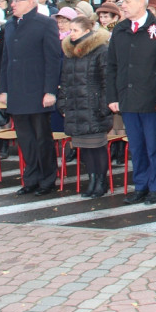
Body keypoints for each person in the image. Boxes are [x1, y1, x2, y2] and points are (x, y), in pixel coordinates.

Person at [106, 0, 156, 205]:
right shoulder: (120, 29)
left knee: (153, 146)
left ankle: (155, 187)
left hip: (150, 99)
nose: (122, 6)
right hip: (127, 98)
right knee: (136, 146)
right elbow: (112, 66)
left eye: (126, 2)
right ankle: (141, 186)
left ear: (141, 2)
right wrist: (113, 97)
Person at [0, 0, 62, 196]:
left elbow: (53, 60)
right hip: (17, 92)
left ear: (32, 3)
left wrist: (50, 91)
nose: (13, 4)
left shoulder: (45, 24)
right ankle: (31, 178)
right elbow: (6, 60)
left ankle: (47, 179)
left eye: (18, 0)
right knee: (25, 139)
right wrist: (4, 89)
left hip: (37, 91)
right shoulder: (10, 25)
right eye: (13, 0)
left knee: (42, 139)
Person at [58, 15, 112, 199]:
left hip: (94, 106)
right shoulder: (70, 52)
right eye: (70, 30)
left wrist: (105, 106)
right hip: (76, 106)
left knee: (97, 146)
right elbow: (64, 81)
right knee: (85, 147)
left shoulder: (100, 50)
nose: (71, 34)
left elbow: (107, 80)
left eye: (75, 30)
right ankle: (92, 180)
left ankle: (101, 181)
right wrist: (63, 103)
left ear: (87, 31)